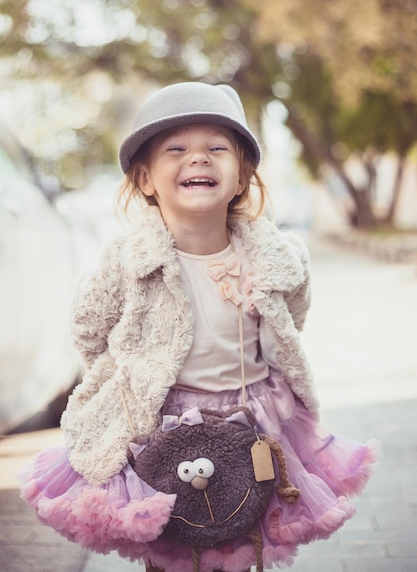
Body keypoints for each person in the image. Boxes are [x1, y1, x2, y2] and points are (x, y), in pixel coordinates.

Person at [19, 82, 376, 572]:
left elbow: (292, 315)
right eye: (177, 149)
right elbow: (89, 328)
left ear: (242, 176)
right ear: (145, 178)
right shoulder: (126, 261)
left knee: (239, 533)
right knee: (172, 548)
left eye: (216, 148)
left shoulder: (273, 258)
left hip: (251, 419)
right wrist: (129, 376)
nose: (199, 159)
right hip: (162, 421)